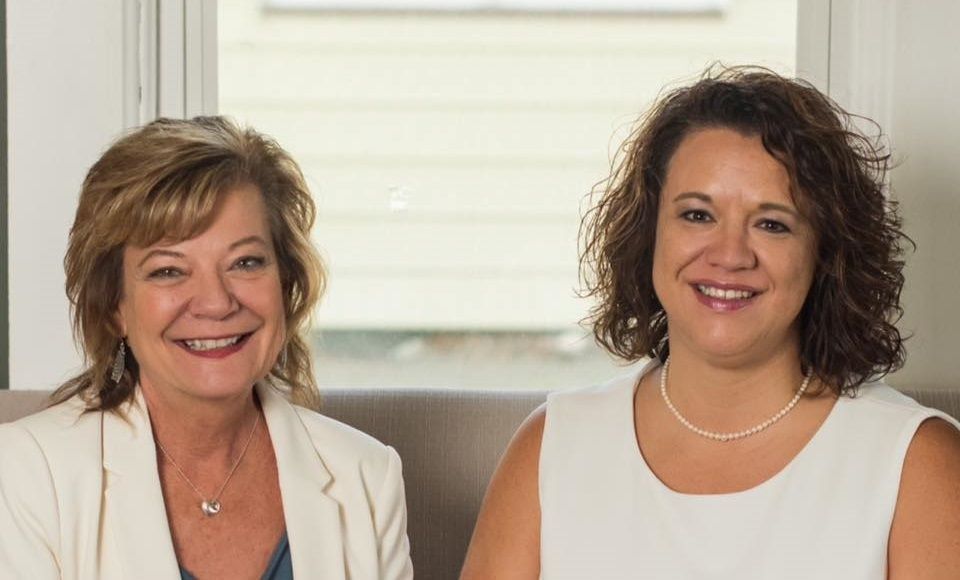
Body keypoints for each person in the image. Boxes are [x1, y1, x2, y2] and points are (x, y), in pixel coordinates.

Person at [462, 67, 960, 579]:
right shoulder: (553, 445)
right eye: (698, 215)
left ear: (825, 254)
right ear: (649, 232)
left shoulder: (917, 463)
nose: (730, 255)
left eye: (772, 224)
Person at [0, 117, 413, 579]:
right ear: (115, 306)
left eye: (245, 262)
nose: (216, 302)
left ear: (286, 284)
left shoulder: (366, 475)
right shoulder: (26, 473)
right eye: (168, 271)